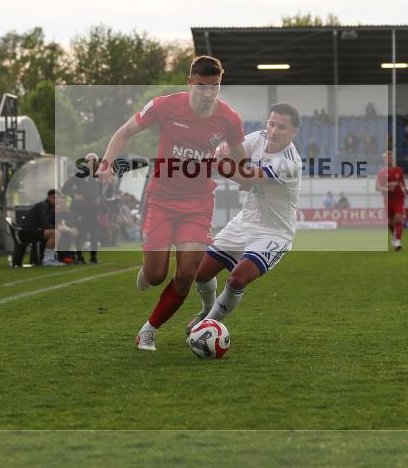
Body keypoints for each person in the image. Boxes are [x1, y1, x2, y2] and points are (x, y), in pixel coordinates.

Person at [95, 55, 246, 352]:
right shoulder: (165, 105)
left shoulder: (229, 118)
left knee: (187, 273)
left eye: (214, 87)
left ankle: (149, 330)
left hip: (199, 203)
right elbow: (125, 131)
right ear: (190, 82)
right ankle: (148, 271)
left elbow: (242, 161)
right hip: (162, 200)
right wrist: (106, 163)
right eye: (202, 86)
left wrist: (239, 170)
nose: (208, 93)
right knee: (156, 275)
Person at [187, 103, 302, 330]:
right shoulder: (258, 137)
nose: (274, 131)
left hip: (274, 233)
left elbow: (247, 179)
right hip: (244, 222)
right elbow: (233, 148)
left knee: (237, 278)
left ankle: (210, 324)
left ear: (294, 131)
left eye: (282, 127)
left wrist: (217, 162)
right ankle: (206, 312)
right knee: (200, 273)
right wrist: (221, 148)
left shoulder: (290, 163)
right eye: (271, 124)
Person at [64, 153, 104, 264]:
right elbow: (66, 187)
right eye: (90, 160)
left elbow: (100, 191)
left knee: (95, 233)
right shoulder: (80, 174)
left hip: (93, 209)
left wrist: (99, 199)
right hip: (81, 209)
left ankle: (93, 257)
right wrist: (74, 195)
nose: (93, 162)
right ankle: (79, 256)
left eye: (95, 160)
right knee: (81, 232)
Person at [19, 189, 75, 266]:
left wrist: (66, 228)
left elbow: (56, 223)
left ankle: (62, 257)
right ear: (49, 197)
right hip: (28, 232)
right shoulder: (43, 206)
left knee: (61, 233)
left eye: (58, 198)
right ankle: (48, 260)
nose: (57, 200)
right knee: (55, 233)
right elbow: (45, 224)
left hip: (37, 231)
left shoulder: (51, 207)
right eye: (54, 197)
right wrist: (59, 228)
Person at [376, 151, 408, 251]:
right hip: (388, 199)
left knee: (398, 218)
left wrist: (405, 188)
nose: (388, 159)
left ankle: (398, 241)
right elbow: (377, 187)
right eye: (386, 157)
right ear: (384, 160)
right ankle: (395, 236)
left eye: (390, 157)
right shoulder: (382, 173)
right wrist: (387, 189)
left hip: (399, 198)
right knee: (390, 222)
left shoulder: (399, 170)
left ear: (392, 159)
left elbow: (402, 180)